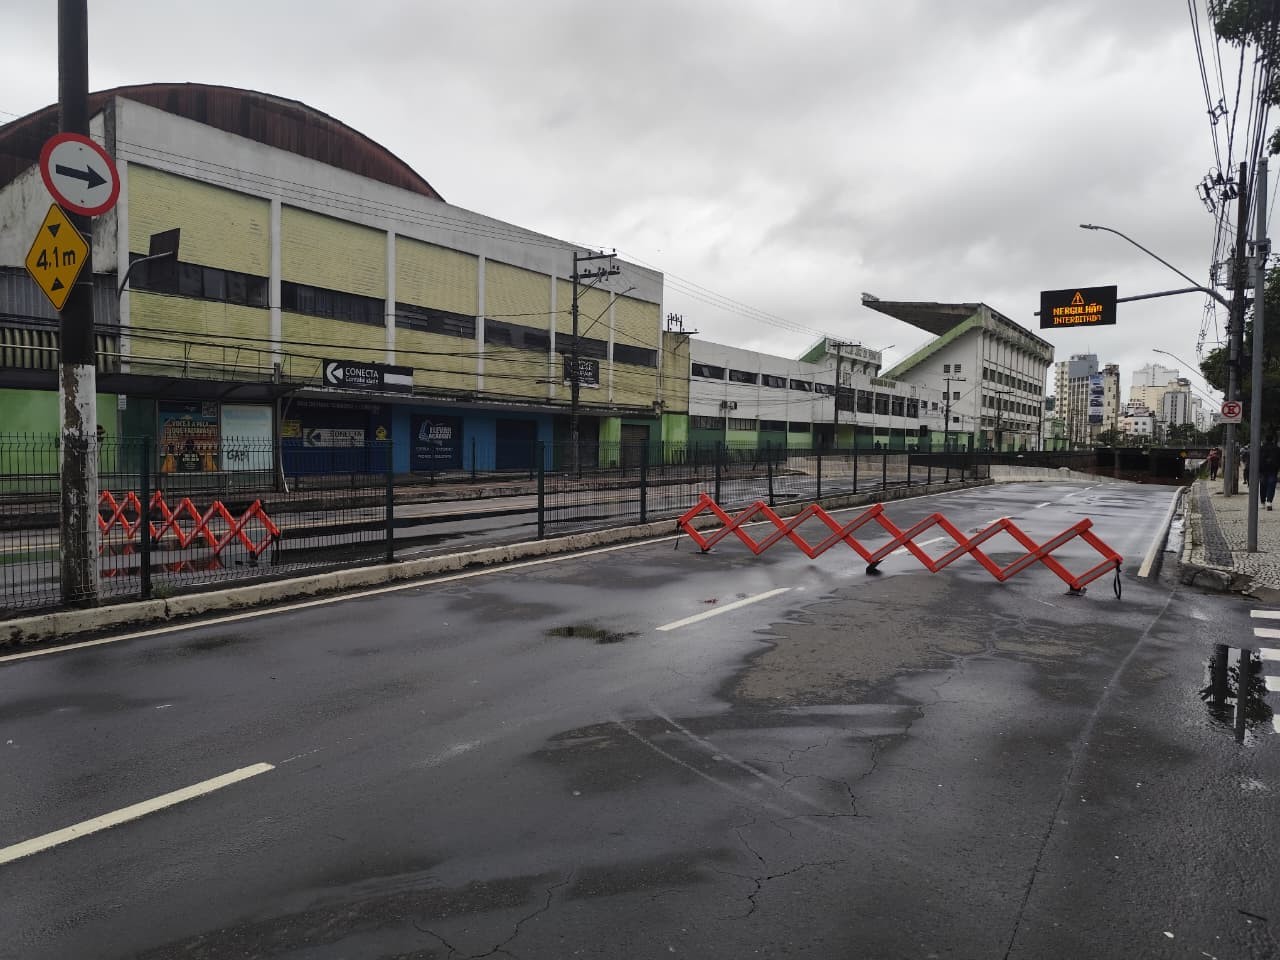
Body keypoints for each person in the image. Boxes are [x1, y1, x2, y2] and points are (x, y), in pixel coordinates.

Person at [1260, 436, 1280, 510]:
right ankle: (1269, 501)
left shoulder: (1261, 448)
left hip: (1263, 470)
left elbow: (1259, 459)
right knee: (1271, 485)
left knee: (1263, 485)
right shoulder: (1277, 449)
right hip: (1273, 470)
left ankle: (1262, 502)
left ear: (1265, 440)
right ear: (1273, 440)